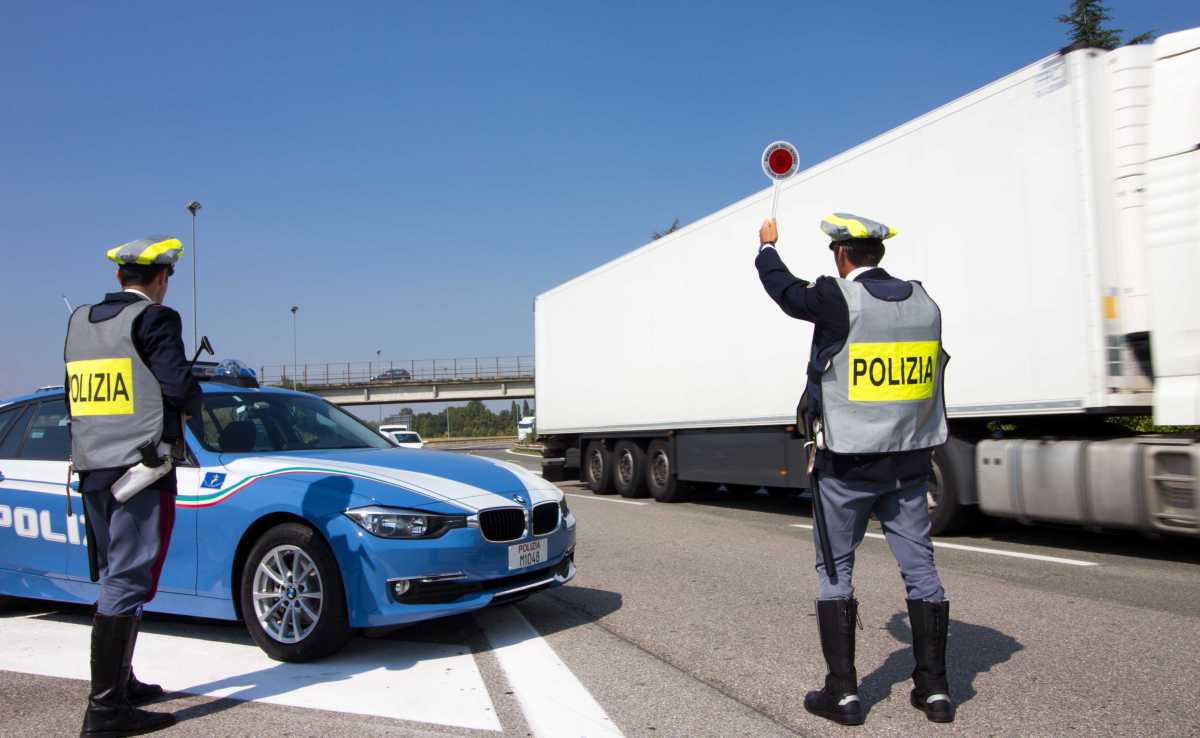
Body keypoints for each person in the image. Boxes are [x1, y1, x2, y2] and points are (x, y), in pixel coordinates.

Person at [755, 214, 954, 726]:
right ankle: (934, 691)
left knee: (835, 572)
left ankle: (843, 694)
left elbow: (785, 293)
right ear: (878, 254)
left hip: (846, 468)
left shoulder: (838, 297)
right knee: (922, 572)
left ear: (843, 255)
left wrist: (767, 249)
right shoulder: (923, 300)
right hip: (909, 466)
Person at [64, 235, 202, 737]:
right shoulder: (156, 319)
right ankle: (105, 712)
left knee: (112, 577)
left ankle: (122, 683)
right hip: (140, 472)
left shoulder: (80, 322)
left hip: (92, 469)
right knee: (128, 581)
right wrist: (194, 390)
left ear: (119, 276)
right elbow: (177, 389)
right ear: (161, 277)